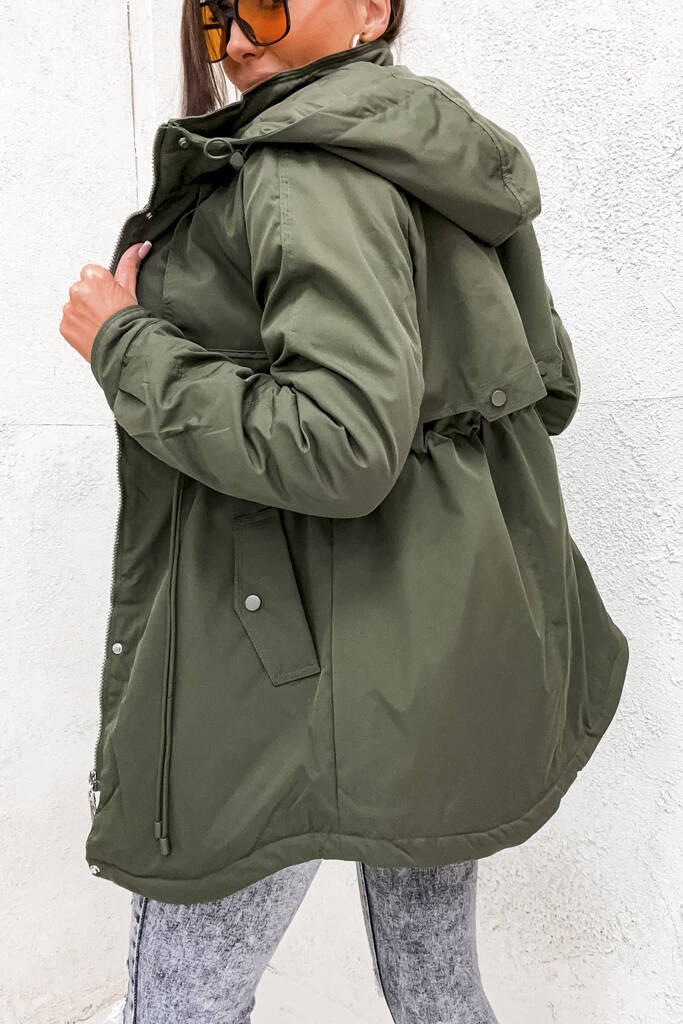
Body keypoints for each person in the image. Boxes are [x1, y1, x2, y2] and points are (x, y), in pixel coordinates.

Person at [59, 1, 630, 1021]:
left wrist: (125, 342)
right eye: (214, 15)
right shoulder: (435, 152)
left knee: (181, 1003)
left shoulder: (299, 169)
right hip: (450, 644)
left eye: (268, 3)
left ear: (372, 8)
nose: (238, 38)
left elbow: (340, 445)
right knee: (433, 979)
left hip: (287, 674)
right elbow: (547, 389)